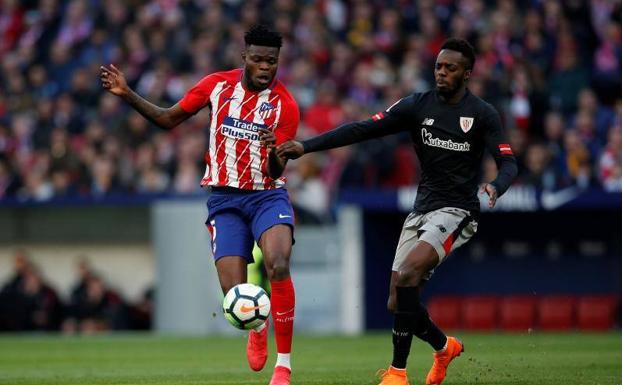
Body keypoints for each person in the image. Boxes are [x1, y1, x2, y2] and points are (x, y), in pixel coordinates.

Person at [277, 38, 518, 385]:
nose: (441, 73)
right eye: (438, 66)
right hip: (421, 209)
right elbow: (363, 129)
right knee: (397, 301)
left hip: (458, 211)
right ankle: (443, 346)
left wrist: (497, 186)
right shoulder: (417, 105)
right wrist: (306, 147)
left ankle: (397, 373)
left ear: (467, 73)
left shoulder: (482, 113)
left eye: (450, 68)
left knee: (407, 276)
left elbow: (508, 161)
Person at [100, 25, 299, 385]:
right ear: (244, 58)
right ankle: (257, 323)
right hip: (225, 199)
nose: (265, 67)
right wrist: (127, 93)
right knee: (234, 295)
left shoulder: (285, 105)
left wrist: (274, 152)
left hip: (267, 195)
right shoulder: (217, 86)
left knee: (278, 264)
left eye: (272, 61)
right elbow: (168, 119)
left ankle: (283, 366)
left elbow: (275, 168)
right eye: (258, 59)